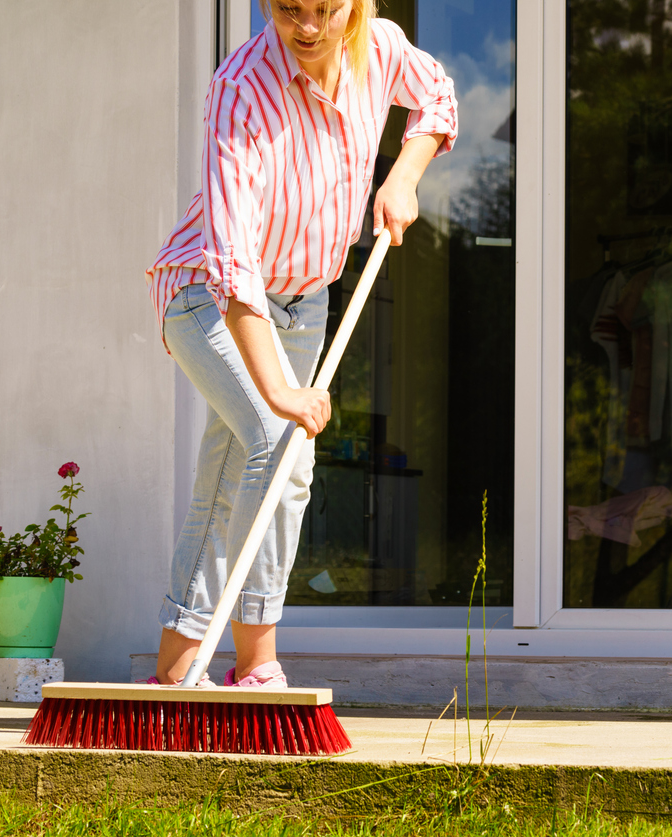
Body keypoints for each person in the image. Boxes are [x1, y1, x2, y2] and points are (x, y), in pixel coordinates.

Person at [144, 0, 457, 687]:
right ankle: (257, 665)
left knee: (227, 478)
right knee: (279, 447)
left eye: (326, 8)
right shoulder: (239, 91)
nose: (309, 27)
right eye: (289, 9)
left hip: (305, 300)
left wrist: (402, 176)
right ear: (263, 2)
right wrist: (281, 390)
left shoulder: (378, 46)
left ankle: (171, 670)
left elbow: (435, 94)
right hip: (208, 295)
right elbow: (231, 265)